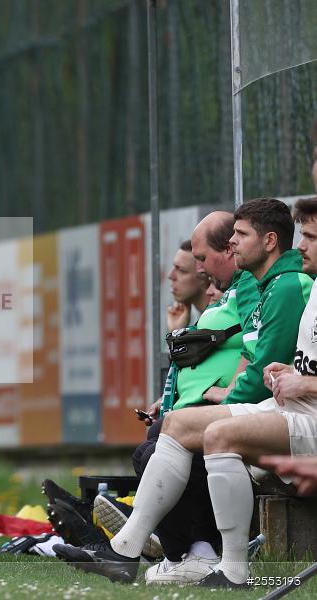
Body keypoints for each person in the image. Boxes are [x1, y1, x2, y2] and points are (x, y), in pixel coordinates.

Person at [55, 197, 313, 587]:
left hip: (302, 415)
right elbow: (279, 361)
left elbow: (262, 364)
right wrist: (291, 374)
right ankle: (127, 549)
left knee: (204, 434)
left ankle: (212, 559)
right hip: (289, 408)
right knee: (173, 425)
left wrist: (294, 382)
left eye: (241, 235)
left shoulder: (288, 286)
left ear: (269, 240)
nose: (302, 246)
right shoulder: (279, 286)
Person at [125, 223, 256, 585]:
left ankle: (184, 549)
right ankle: (178, 549)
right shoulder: (235, 294)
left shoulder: (262, 287)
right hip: (211, 411)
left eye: (197, 260)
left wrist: (233, 392)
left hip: (247, 413)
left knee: (157, 445)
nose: (197, 270)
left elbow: (258, 348)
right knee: (155, 441)